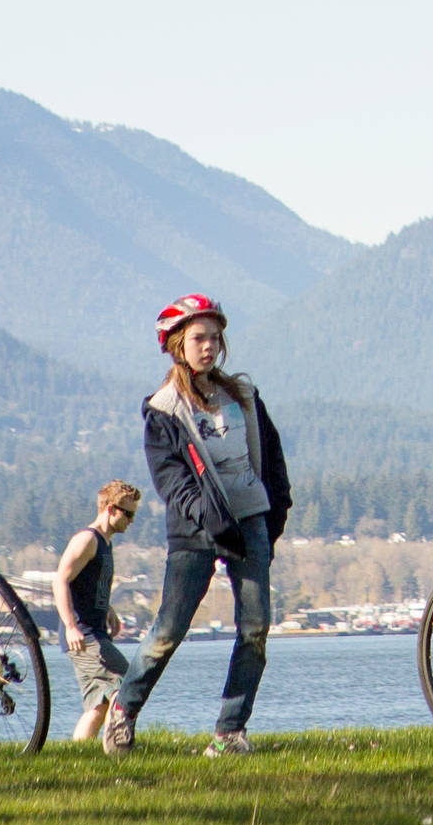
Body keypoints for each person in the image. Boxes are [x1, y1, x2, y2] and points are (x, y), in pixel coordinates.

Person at [114, 294, 291, 756]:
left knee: (255, 628)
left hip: (250, 519)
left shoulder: (243, 396)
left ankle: (230, 730)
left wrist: (275, 512)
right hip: (195, 531)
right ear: (177, 345)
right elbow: (172, 481)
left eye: (215, 338)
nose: (209, 346)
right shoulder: (164, 409)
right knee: (167, 633)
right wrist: (213, 521)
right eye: (198, 338)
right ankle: (123, 710)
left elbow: (270, 455)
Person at [56, 479, 144, 751]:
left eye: (134, 514)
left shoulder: (105, 542)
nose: (131, 520)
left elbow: (88, 584)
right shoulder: (87, 540)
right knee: (127, 683)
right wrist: (71, 626)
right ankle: (117, 746)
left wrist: (108, 609)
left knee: (98, 703)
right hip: (84, 635)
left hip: (95, 630)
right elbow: (60, 581)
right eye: (127, 513)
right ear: (109, 509)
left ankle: (78, 753)